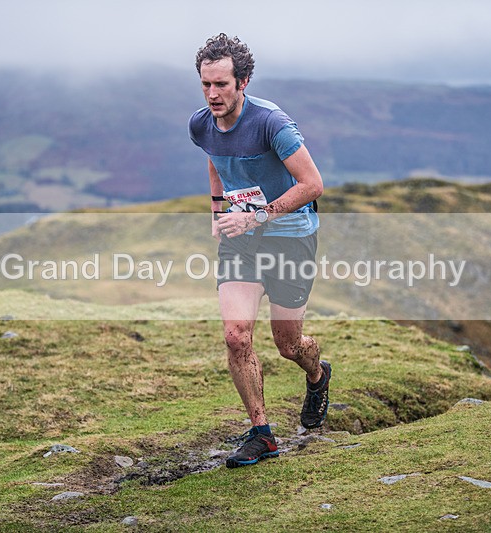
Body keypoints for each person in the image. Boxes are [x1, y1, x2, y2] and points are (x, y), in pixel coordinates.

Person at [188, 34, 329, 468]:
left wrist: (258, 215)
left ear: (243, 81)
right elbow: (215, 157)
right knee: (236, 336)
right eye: (206, 84)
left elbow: (313, 185)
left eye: (222, 85)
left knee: (288, 345)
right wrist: (218, 211)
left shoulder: (272, 123)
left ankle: (318, 374)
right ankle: (262, 433)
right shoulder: (200, 124)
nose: (213, 94)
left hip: (290, 236)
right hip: (241, 239)